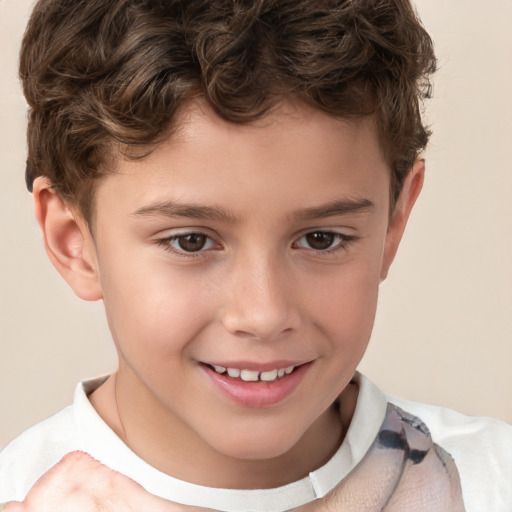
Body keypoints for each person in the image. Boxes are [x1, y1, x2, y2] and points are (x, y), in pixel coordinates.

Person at [0, 0, 510, 510]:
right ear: (74, 242)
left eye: (321, 239)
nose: (263, 315)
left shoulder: (493, 479)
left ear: (393, 223)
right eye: (191, 241)